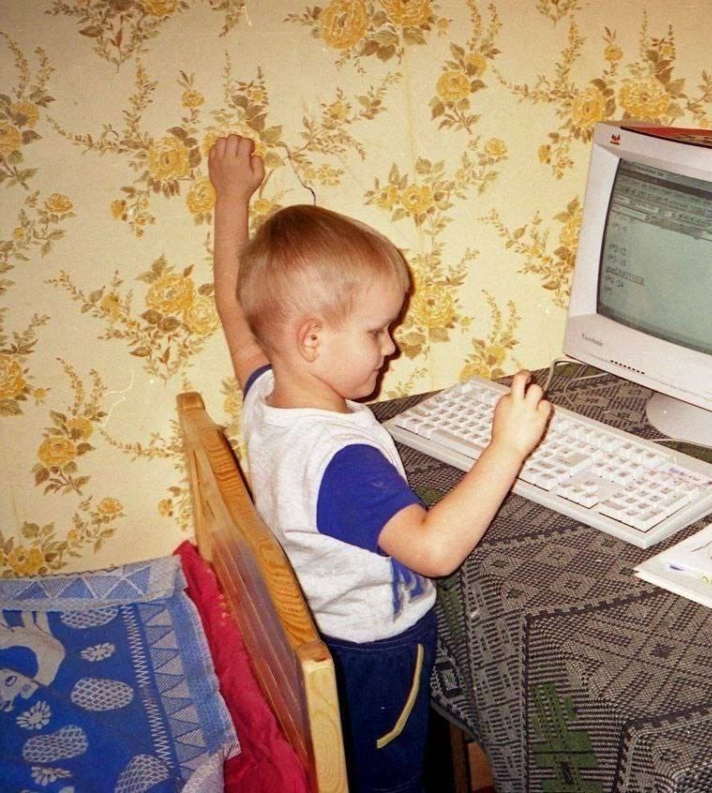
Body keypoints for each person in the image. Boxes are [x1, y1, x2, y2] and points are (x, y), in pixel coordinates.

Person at [207, 134, 551, 792]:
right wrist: (506, 446)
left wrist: (231, 199)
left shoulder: (266, 397)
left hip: (329, 631)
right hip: (375, 658)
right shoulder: (340, 463)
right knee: (386, 775)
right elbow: (433, 550)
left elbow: (233, 308)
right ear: (311, 338)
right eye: (376, 331)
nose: (390, 347)